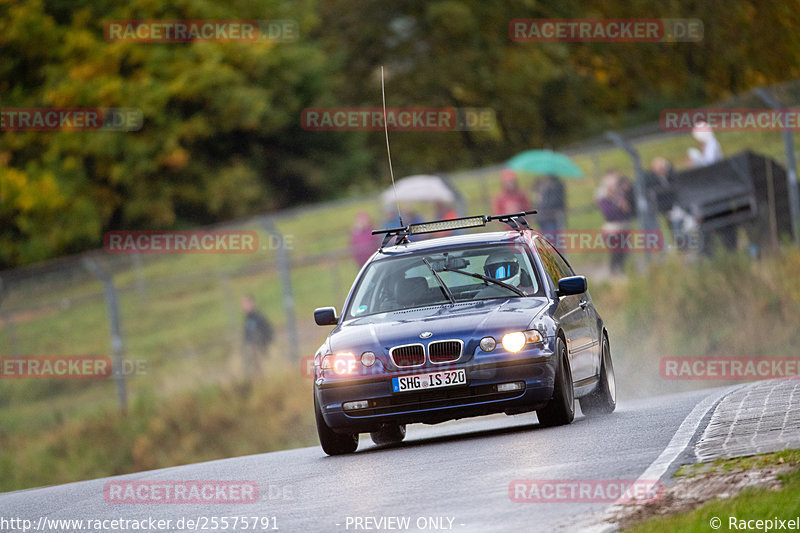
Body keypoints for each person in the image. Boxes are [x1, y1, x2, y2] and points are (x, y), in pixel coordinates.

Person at [596, 171, 634, 274]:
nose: (613, 188)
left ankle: (622, 270)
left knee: (623, 251)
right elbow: (608, 214)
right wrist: (619, 207)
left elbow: (627, 212)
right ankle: (613, 271)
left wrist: (625, 208)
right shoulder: (603, 199)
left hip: (623, 226)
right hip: (612, 229)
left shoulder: (620, 196)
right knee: (615, 251)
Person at [241, 294, 273, 376]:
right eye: (242, 303)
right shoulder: (247, 319)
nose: (244, 306)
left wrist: (263, 347)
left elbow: (268, 333)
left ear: (252, 303)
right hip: (251, 354)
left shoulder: (259, 318)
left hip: (259, 351)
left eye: (246, 303)